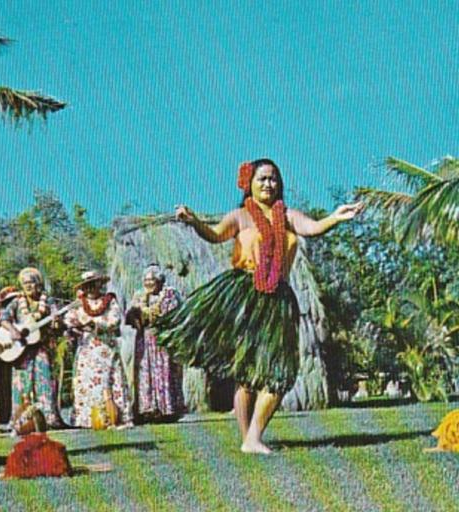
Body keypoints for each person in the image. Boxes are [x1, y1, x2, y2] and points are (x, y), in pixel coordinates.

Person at [160, 158, 363, 453]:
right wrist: (193, 222)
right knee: (246, 375)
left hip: (278, 299)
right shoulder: (241, 216)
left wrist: (336, 216)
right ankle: (249, 440)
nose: (269, 184)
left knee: (278, 373)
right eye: (262, 179)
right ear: (249, 184)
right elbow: (215, 235)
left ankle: (254, 436)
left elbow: (314, 228)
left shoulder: (289, 216)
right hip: (244, 294)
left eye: (273, 179)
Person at [65, 271, 133, 429]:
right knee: (87, 380)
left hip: (106, 347)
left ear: (100, 284)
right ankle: (87, 418)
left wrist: (96, 325)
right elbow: (69, 319)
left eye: (93, 284)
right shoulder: (79, 303)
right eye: (87, 286)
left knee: (109, 379)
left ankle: (115, 416)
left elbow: (115, 320)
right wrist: (75, 326)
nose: (90, 289)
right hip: (87, 348)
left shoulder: (109, 301)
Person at [0, 268, 64, 429]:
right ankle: (21, 420)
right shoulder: (16, 302)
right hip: (21, 351)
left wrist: (56, 320)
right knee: (22, 383)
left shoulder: (47, 301)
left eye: (31, 282)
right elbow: (4, 319)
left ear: (38, 284)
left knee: (44, 379)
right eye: (25, 283)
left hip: (41, 346)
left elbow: (57, 321)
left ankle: (47, 419)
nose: (28, 286)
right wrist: (13, 330)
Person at [125, 264, 185, 422]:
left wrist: (148, 314)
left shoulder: (169, 294)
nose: (148, 283)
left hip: (163, 339)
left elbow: (170, 315)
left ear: (160, 280)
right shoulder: (139, 296)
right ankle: (147, 409)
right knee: (145, 372)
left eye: (152, 280)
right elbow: (131, 316)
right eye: (146, 280)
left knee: (164, 371)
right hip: (144, 340)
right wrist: (135, 315)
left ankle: (167, 408)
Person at [0, 285, 20, 425]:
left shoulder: (21, 315)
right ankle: (3, 415)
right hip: (0, 354)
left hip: (19, 352)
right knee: (2, 385)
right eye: (9, 301)